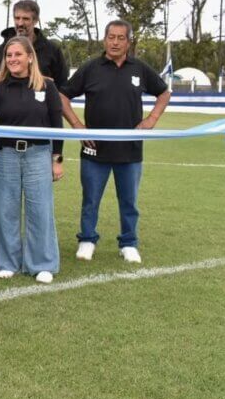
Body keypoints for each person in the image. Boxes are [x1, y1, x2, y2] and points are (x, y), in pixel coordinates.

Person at [60, 20, 171, 263]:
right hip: (94, 150)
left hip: (129, 150)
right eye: (111, 37)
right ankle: (87, 240)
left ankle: (128, 243)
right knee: (90, 200)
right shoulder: (90, 68)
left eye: (121, 38)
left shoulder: (139, 69)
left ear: (129, 42)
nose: (115, 42)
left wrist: (152, 118)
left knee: (129, 201)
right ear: (104, 40)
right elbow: (62, 96)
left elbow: (164, 93)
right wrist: (78, 127)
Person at [0, 36, 64, 284]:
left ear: (30, 57)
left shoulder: (47, 87)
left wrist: (57, 159)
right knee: (4, 209)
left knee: (40, 210)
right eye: (8, 55)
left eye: (17, 54)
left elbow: (57, 125)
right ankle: (7, 262)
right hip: (6, 156)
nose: (12, 59)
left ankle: (42, 263)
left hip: (38, 155)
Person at [0, 0, 69, 89]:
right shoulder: (1, 51)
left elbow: (62, 87)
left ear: (36, 20)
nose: (20, 23)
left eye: (25, 19)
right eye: (17, 18)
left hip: (42, 101)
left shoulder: (52, 50)